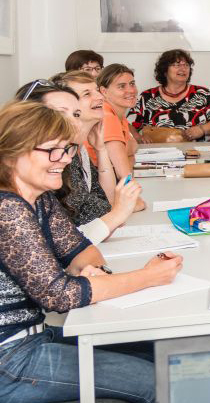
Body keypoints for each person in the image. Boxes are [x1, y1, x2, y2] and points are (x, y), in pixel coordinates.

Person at [0, 101, 182, 403]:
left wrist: (92, 277)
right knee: (157, 381)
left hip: (34, 338)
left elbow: (83, 251)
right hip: (10, 358)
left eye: (67, 149)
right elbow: (60, 295)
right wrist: (149, 277)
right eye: (51, 151)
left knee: (162, 349)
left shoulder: (39, 198)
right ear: (10, 155)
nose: (63, 160)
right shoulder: (8, 209)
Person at [19, 76, 143, 244]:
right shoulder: (48, 164)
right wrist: (118, 213)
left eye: (75, 113)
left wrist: (101, 149)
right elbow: (79, 231)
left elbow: (103, 206)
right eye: (87, 94)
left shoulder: (72, 151)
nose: (100, 97)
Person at [129, 49, 210, 141]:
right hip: (157, 154)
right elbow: (127, 124)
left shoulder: (202, 94)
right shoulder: (147, 97)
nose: (183, 68)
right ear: (165, 70)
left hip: (196, 153)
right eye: (177, 65)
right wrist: (138, 138)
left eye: (186, 65)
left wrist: (202, 129)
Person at [97, 64, 141, 180]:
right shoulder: (107, 117)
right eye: (121, 86)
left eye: (132, 84)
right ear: (104, 91)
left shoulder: (118, 115)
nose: (131, 90)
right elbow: (124, 175)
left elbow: (133, 149)